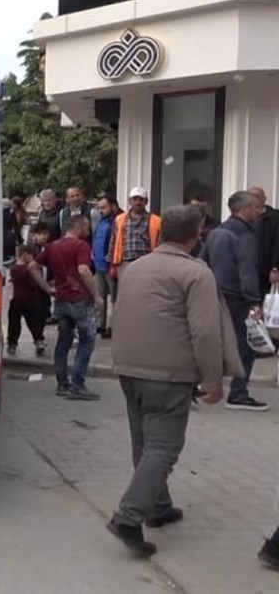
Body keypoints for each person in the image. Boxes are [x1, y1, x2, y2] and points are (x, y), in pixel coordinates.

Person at [106, 205, 240, 557]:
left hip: (130, 369)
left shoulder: (136, 267)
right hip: (169, 375)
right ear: (196, 236)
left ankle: (158, 507)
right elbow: (206, 333)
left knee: (144, 443)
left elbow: (120, 312)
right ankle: (129, 517)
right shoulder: (196, 273)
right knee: (163, 449)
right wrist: (214, 380)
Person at [200, 190, 269, 412]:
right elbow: (246, 270)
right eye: (256, 207)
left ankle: (201, 386)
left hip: (215, 293)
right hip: (238, 297)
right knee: (246, 345)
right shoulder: (244, 234)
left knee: (213, 342)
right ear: (244, 209)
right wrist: (254, 301)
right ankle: (238, 393)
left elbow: (202, 261)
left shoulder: (217, 232)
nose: (259, 212)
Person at [30, 215, 102, 401]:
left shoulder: (53, 246)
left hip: (61, 301)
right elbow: (83, 270)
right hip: (80, 300)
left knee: (63, 341)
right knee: (87, 340)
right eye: (87, 227)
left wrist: (47, 288)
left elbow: (32, 266)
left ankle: (62, 383)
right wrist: (96, 295)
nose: (89, 230)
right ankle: (77, 384)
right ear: (79, 227)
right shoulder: (81, 246)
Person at [111, 187, 162, 278]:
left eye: (141, 200)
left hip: (147, 263)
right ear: (129, 201)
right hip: (125, 262)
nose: (138, 202)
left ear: (146, 201)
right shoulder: (119, 219)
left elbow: (160, 243)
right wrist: (112, 263)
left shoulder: (157, 221)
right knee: (125, 290)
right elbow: (113, 242)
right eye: (135, 199)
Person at [7, 245, 47, 357]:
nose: (32, 258)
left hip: (17, 300)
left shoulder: (14, 269)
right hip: (31, 300)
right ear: (24, 255)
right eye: (31, 256)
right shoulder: (29, 270)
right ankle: (39, 341)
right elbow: (34, 284)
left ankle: (12, 344)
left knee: (14, 323)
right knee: (35, 323)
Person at [92, 195, 123, 338]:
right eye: (99, 208)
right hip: (99, 266)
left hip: (112, 265)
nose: (101, 210)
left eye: (104, 207)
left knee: (115, 299)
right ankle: (100, 324)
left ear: (113, 206)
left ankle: (113, 326)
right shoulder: (102, 221)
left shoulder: (119, 221)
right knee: (100, 297)